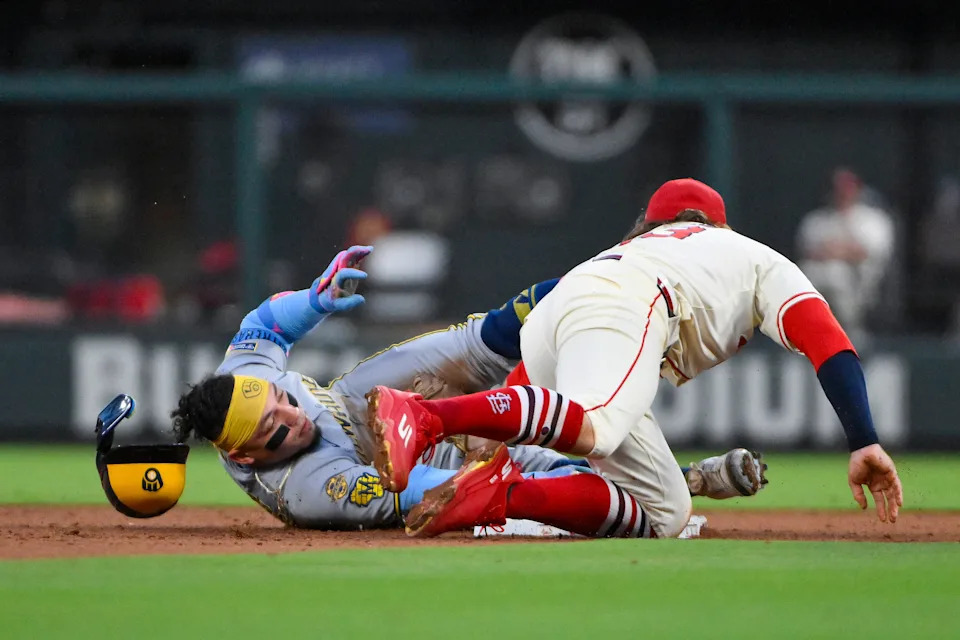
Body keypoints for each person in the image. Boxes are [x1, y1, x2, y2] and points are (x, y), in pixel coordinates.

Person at [368, 178, 903, 539]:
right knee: (596, 429)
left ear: (651, 222)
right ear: (721, 224)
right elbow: (830, 344)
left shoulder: (631, 249)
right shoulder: (754, 257)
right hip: (636, 304)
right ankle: (425, 416)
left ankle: (500, 494)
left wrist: (501, 438)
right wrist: (864, 439)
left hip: (567, 309)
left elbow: (547, 375)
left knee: (666, 513)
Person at [171, 244, 764, 531]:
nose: (291, 414)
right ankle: (678, 486)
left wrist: (313, 301)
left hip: (362, 408)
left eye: (281, 399)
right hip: (406, 472)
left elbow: (262, 327)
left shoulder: (243, 384)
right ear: (243, 455)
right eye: (277, 427)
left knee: (487, 338)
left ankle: (608, 284)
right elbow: (433, 488)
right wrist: (487, 451)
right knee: (528, 487)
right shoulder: (311, 488)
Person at [796, 168, 895, 337]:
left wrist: (836, 251)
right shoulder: (817, 220)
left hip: (864, 282)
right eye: (838, 189)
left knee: (836, 275)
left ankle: (853, 331)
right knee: (808, 273)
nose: (843, 194)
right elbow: (808, 251)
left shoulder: (873, 219)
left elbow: (868, 252)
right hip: (821, 274)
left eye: (847, 188)